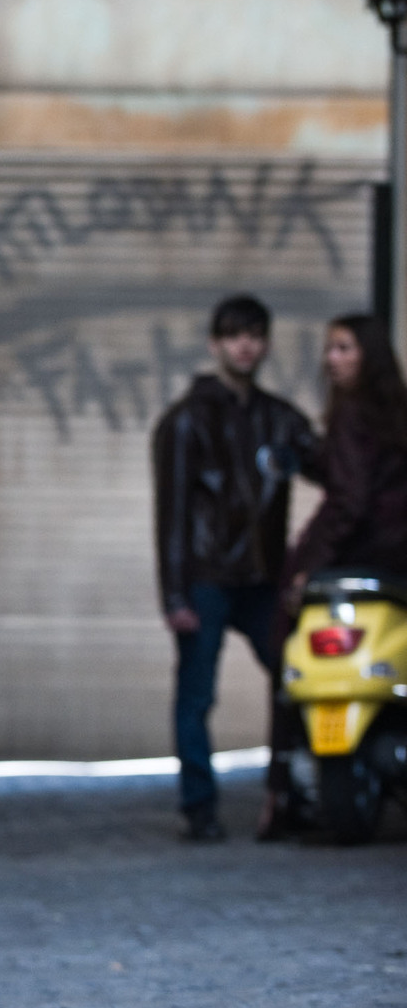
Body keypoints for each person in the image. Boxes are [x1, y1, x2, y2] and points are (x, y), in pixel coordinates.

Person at [151, 295, 314, 842]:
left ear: (266, 343)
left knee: (297, 677)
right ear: (215, 344)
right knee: (197, 695)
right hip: (206, 577)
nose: (245, 345)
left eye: (254, 335)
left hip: (261, 578)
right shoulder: (185, 422)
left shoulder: (279, 419)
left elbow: (333, 465)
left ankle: (288, 794)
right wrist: (174, 596)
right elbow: (171, 514)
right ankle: (199, 808)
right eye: (234, 335)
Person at [284, 312, 407, 599]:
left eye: (343, 348)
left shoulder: (352, 412)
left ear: (369, 354)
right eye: (329, 349)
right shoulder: (394, 410)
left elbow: (350, 499)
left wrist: (312, 565)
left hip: (358, 555)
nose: (331, 359)